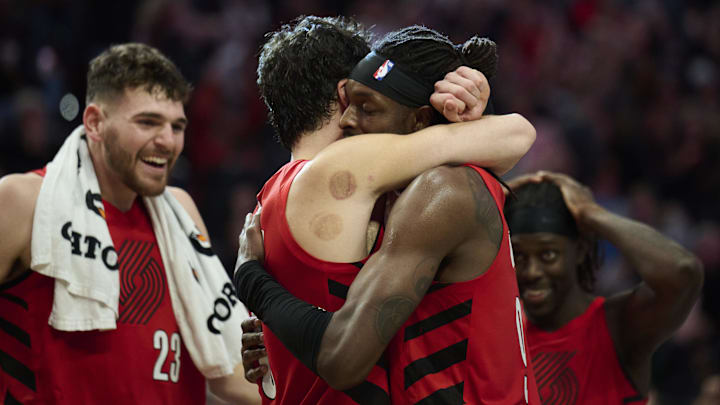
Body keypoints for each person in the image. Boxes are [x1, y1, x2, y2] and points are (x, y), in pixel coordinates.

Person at [234, 24, 541, 404]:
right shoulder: (382, 186)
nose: (350, 121)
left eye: (368, 108)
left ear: (419, 122)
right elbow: (517, 134)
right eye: (353, 104)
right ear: (341, 91)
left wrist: (252, 280)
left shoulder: (440, 191)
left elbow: (342, 357)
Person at [0, 43, 259, 404]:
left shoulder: (181, 212)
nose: (167, 141)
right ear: (95, 123)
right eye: (148, 122)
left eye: (176, 126)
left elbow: (230, 370)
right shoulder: (23, 200)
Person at [504, 171, 704, 404]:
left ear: (580, 251)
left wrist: (591, 213)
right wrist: (491, 201)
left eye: (548, 254)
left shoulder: (617, 325)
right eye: (517, 256)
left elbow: (683, 272)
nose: (532, 271)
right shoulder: (502, 339)